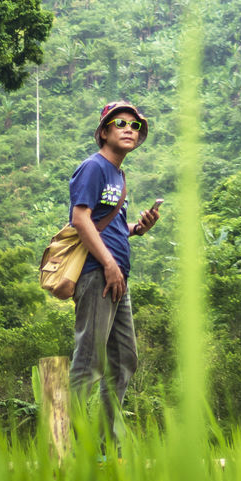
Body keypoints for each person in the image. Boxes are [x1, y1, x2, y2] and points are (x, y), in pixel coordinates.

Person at [68, 99, 160, 441]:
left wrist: (137, 227)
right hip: (97, 274)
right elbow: (80, 219)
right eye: (120, 124)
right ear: (104, 132)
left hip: (118, 277)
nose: (129, 130)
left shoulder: (118, 175)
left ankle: (106, 442)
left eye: (135, 126)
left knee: (124, 359)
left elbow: (107, 224)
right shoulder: (93, 167)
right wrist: (108, 263)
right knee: (89, 359)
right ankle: (68, 444)